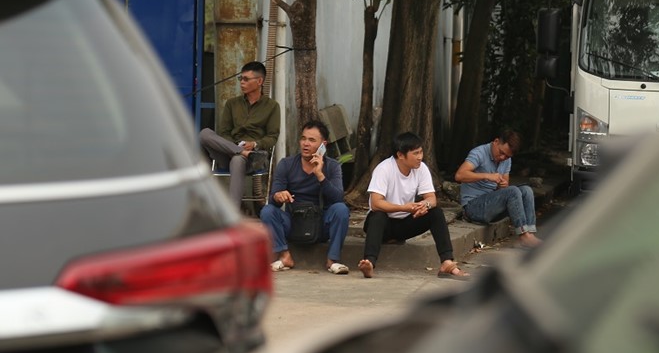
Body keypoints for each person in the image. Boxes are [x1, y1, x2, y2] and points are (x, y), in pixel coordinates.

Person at [358, 132, 469, 280]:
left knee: (435, 212)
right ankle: (369, 263)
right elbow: (376, 203)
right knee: (377, 216)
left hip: (405, 224)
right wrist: (404, 208)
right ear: (401, 155)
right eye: (415, 153)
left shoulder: (421, 168)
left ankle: (447, 262)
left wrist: (424, 205)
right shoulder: (384, 169)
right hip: (383, 226)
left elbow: (432, 198)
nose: (420, 157)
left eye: (421, 152)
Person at [260, 120, 350, 275]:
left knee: (341, 210)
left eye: (312, 140)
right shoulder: (286, 164)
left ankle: (333, 260)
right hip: (294, 222)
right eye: (303, 138)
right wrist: (279, 196)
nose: (305, 144)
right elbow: (273, 198)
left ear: (323, 145)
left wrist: (320, 175)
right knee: (267, 211)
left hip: (321, 223)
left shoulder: (332, 166)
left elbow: (338, 198)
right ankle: (284, 255)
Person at [200, 61, 280, 206]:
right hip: (229, 150)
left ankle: (233, 215)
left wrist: (255, 144)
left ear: (260, 81)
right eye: (240, 79)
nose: (242, 82)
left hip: (254, 157)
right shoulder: (232, 104)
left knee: (237, 160)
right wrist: (235, 148)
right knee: (204, 133)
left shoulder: (272, 106)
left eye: (246, 79)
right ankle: (240, 152)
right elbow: (224, 132)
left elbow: (272, 137)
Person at [454, 128, 542, 249]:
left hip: (492, 205)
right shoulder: (479, 153)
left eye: (506, 156)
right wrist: (487, 176)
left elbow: (505, 189)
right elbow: (459, 175)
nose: (502, 157)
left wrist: (502, 185)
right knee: (513, 191)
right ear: (496, 142)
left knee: (526, 190)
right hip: (473, 207)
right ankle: (523, 236)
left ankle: (529, 234)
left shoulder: (507, 160)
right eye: (501, 152)